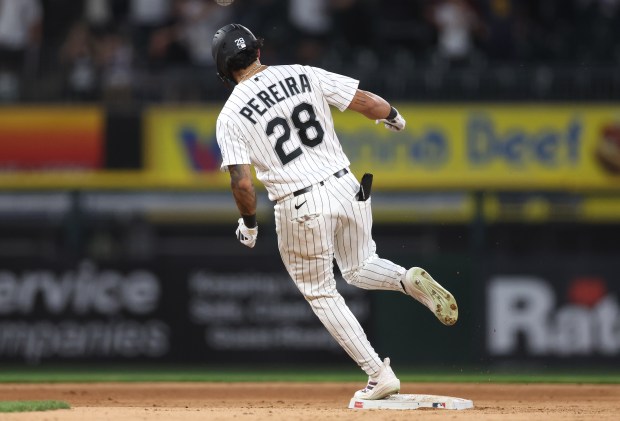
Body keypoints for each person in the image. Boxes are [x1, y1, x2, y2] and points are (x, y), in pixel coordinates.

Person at [212, 23, 458, 400]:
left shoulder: (230, 114)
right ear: (258, 52)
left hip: (301, 202)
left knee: (322, 293)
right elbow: (363, 101)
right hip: (347, 185)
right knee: (359, 266)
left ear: (224, 69)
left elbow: (243, 183)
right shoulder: (302, 73)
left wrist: (248, 224)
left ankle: (379, 374)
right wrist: (392, 114)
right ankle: (406, 279)